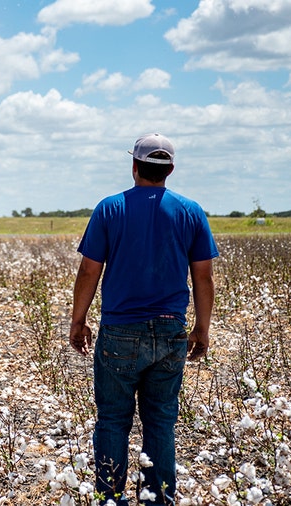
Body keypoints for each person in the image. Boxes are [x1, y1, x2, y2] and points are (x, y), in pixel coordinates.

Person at [69, 133, 218, 505]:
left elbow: (90, 270)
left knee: (113, 420)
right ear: (170, 169)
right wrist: (202, 327)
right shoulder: (191, 211)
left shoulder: (109, 208)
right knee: (161, 422)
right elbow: (203, 276)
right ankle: (157, 499)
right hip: (171, 331)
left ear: (134, 167)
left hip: (119, 331)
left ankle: (110, 499)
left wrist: (78, 319)